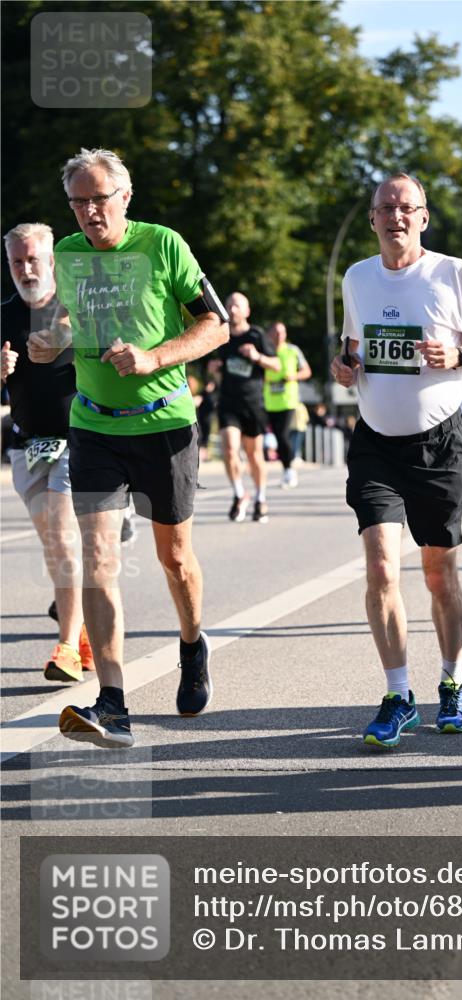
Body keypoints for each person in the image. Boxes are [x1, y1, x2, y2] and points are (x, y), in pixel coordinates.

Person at [29, 147, 229, 748]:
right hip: (93, 424)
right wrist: (52, 343)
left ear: (125, 197)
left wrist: (154, 358)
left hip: (163, 422)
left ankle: (192, 644)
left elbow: (214, 324)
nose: (89, 211)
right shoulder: (66, 253)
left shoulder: (163, 245)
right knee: (98, 559)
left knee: (174, 560)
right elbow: (70, 321)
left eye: (99, 199)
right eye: (78, 201)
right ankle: (112, 703)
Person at [330, 172, 462, 749]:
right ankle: (398, 694)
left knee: (438, 573)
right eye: (386, 208)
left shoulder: (453, 272)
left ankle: (453, 682)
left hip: (438, 443)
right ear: (374, 217)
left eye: (407, 208)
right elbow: (354, 346)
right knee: (381, 567)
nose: (396, 217)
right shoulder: (357, 277)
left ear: (423, 217)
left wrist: (456, 353)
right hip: (375, 440)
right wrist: (345, 366)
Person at [2, 222, 95, 682]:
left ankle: (66, 650)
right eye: (16, 261)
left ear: (52, 260)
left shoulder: (78, 309)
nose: (25, 269)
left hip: (78, 438)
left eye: (33, 259)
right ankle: (82, 632)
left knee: (61, 536)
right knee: (53, 542)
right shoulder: (3, 316)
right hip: (27, 444)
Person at [217, 292, 279, 523]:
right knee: (230, 449)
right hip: (228, 402)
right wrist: (214, 367)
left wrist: (257, 356)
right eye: (229, 305)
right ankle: (238, 494)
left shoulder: (257, 335)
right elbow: (214, 364)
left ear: (247, 311)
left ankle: (261, 498)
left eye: (237, 306)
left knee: (254, 455)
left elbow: (276, 364)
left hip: (253, 404)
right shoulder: (220, 336)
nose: (232, 310)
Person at [264, 321, 312, 488]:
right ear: (269, 334)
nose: (279, 336)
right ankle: (286, 469)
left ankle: (289, 470)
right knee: (277, 436)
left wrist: (294, 377)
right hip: (269, 401)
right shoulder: (265, 351)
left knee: (283, 435)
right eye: (276, 332)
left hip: (289, 401)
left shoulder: (292, 350)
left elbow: (307, 371)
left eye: (282, 332)